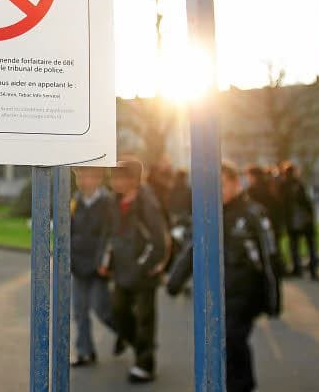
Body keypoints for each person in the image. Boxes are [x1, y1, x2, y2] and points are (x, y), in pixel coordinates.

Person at [167, 161, 282, 392]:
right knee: (218, 343)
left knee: (232, 338)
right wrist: (175, 280)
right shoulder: (208, 214)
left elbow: (269, 256)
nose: (217, 191)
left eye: (221, 185)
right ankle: (230, 383)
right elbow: (193, 248)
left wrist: (274, 299)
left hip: (244, 294)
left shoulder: (253, 214)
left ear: (236, 184)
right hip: (217, 293)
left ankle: (241, 385)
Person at [108, 158, 168, 383]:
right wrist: (108, 260)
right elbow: (112, 235)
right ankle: (135, 343)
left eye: (119, 177)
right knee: (118, 310)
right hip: (122, 271)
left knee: (145, 319)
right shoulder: (114, 202)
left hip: (144, 273)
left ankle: (145, 365)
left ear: (133, 180)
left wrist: (144, 266)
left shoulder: (147, 204)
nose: (114, 181)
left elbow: (158, 241)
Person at [69, 166, 117, 367]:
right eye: (78, 176)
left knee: (102, 309)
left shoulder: (108, 202)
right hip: (78, 264)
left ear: (97, 178)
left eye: (86, 176)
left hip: (98, 267)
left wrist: (104, 263)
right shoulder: (74, 201)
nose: (82, 181)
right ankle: (85, 352)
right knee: (79, 311)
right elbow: (68, 230)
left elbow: (110, 235)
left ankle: (128, 333)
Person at [281, 161, 318, 280]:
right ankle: (313, 270)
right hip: (304, 220)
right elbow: (306, 202)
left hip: (292, 221)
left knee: (294, 246)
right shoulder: (299, 185)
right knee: (310, 245)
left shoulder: (283, 186)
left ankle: (298, 269)